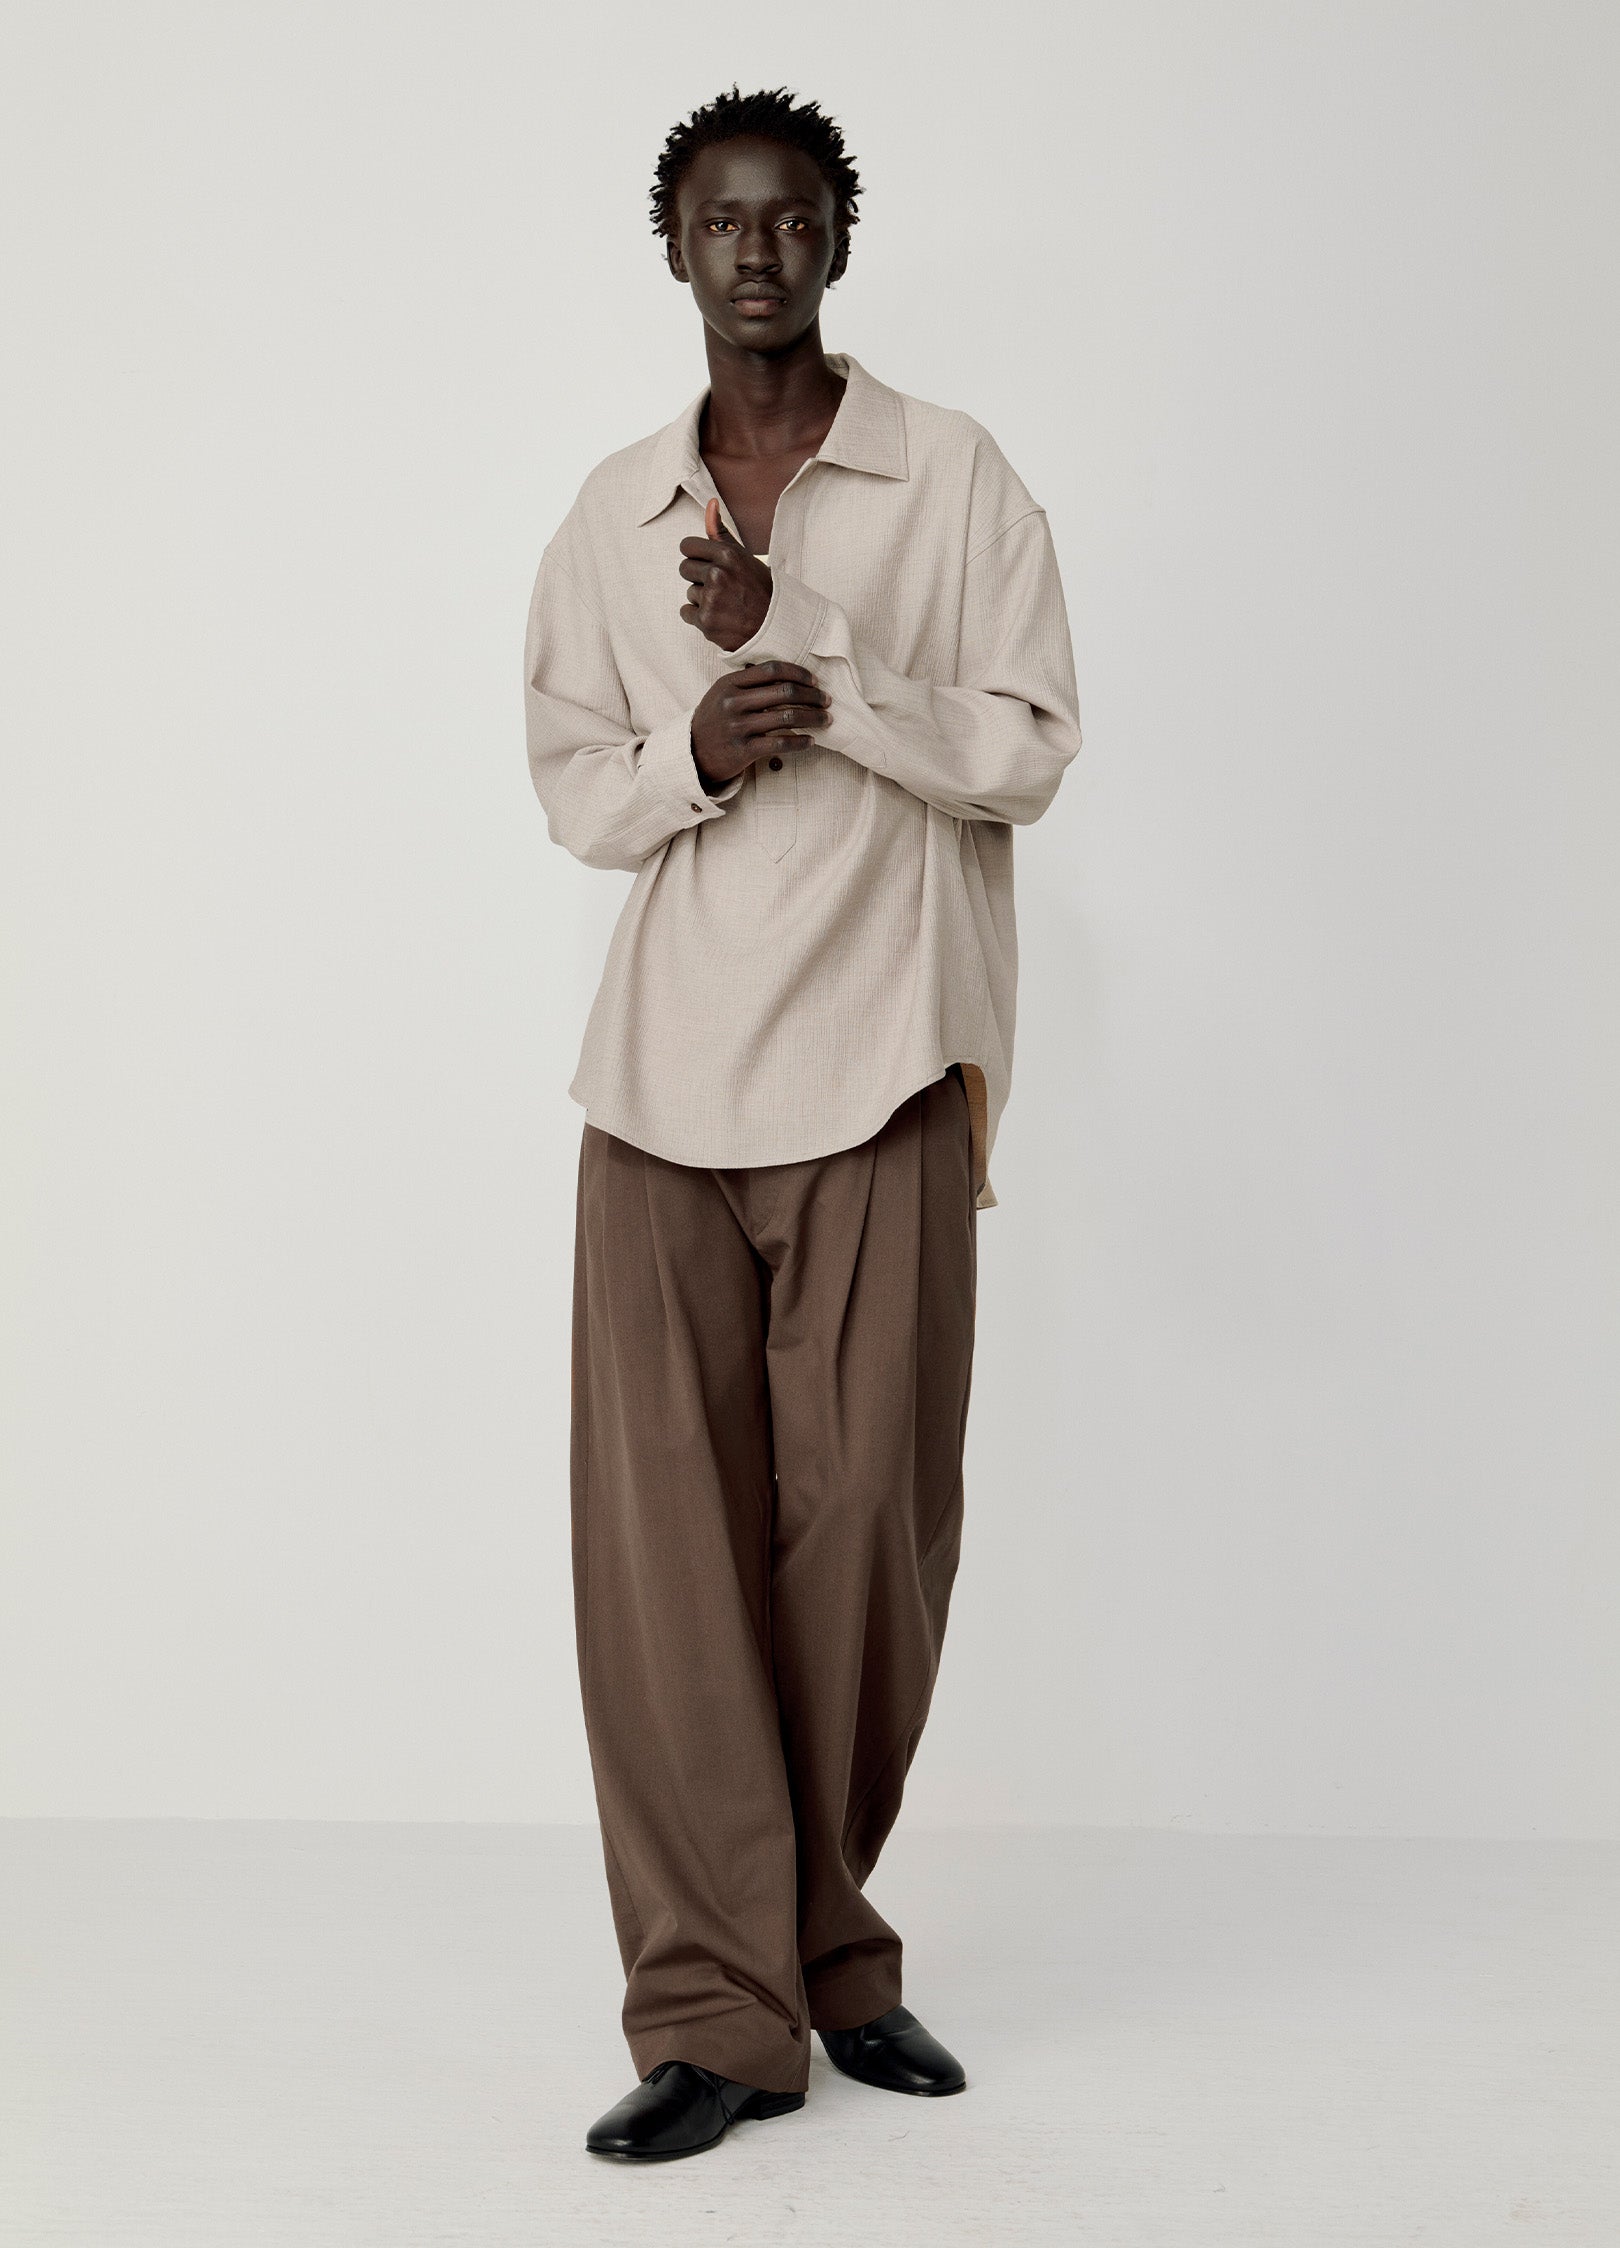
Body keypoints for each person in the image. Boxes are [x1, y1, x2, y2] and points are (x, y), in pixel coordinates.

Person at [522, 85, 1081, 2162]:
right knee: (663, 1563)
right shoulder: (613, 513)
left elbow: (1028, 748)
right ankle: (714, 2009)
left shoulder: (951, 475)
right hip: (663, 1079)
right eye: (718, 222)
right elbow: (574, 788)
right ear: (672, 248)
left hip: (885, 1052)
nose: (755, 253)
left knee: (868, 1543)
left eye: (790, 218)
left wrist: (816, 662)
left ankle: (828, 1946)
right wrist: (696, 740)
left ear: (838, 236)